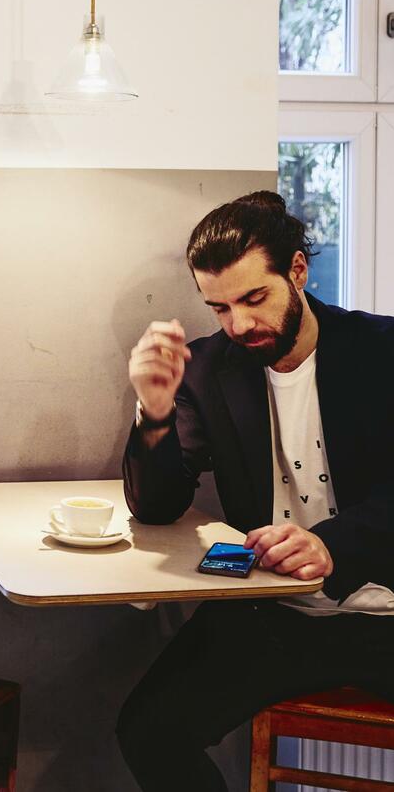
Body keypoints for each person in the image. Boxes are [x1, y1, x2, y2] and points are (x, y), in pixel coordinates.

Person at [116, 190, 394, 792]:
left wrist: (334, 545)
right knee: (147, 731)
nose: (238, 324)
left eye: (253, 298)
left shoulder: (382, 350)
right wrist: (154, 413)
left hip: (389, 614)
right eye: (218, 308)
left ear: (297, 269)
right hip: (276, 617)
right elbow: (159, 507)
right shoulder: (206, 368)